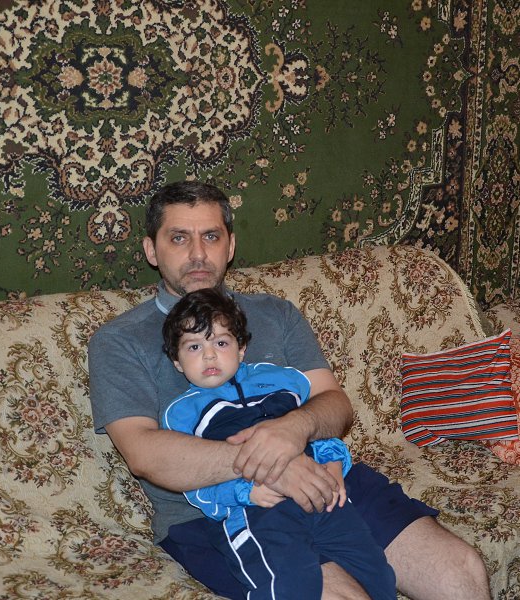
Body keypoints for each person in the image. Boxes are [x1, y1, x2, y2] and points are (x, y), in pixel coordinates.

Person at [89, 180, 491, 600]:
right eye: (178, 238)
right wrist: (274, 463)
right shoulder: (120, 340)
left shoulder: (274, 313)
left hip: (327, 478)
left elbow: (335, 405)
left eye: (211, 236)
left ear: (230, 246)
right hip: (215, 513)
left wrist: (295, 428)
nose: (197, 253)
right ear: (151, 250)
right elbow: (144, 454)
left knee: (461, 570)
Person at [160, 287, 396, 599]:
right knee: (286, 583)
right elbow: (193, 478)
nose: (209, 355)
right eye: (193, 347)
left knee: (376, 573)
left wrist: (333, 460)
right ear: (177, 362)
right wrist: (244, 492)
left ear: (241, 348)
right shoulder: (182, 413)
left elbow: (315, 427)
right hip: (259, 513)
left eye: (221, 342)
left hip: (321, 495)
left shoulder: (282, 380)